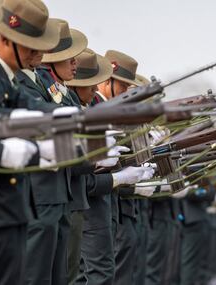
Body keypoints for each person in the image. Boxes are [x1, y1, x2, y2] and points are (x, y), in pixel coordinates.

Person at [66, 48, 154, 285]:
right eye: (123, 86)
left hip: (105, 206)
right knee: (96, 274)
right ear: (109, 81)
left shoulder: (97, 108)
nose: (126, 93)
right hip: (88, 206)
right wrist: (122, 181)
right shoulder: (86, 108)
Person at [0, 0, 65, 283]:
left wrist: (74, 116)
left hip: (10, 209)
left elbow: (31, 106)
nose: (38, 53)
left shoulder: (6, 79)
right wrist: (0, 153)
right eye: (28, 44)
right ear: (6, 39)